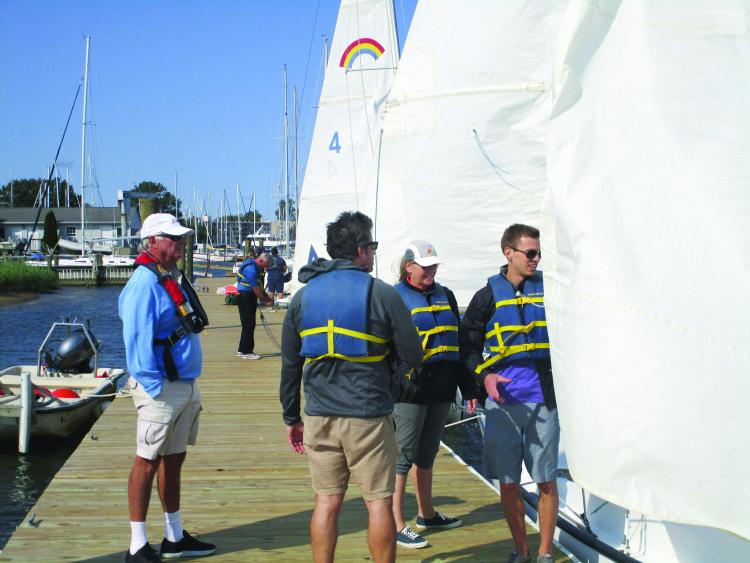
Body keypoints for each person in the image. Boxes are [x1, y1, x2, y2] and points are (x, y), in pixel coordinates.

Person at [279, 211, 424, 563]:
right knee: (379, 502)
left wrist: (291, 417)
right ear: (360, 250)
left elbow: (290, 366)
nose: (374, 254)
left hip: (319, 415)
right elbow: (413, 354)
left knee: (327, 501)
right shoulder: (382, 293)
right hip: (368, 416)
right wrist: (393, 377)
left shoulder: (302, 298)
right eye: (372, 246)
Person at [118, 213, 216, 562]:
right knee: (146, 462)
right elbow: (136, 340)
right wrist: (154, 387)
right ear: (152, 242)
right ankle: (137, 545)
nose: (181, 243)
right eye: (173, 238)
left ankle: (174, 537)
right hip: (162, 389)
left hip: (184, 385)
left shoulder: (170, 276)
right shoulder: (143, 284)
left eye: (181, 238)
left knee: (173, 460)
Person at [459, 224, 559, 563]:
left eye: (538, 253)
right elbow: (467, 345)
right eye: (530, 253)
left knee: (546, 480)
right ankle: (521, 549)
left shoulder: (550, 290)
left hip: (543, 400)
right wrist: (483, 378)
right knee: (508, 483)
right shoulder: (487, 296)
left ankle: (545, 553)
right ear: (509, 253)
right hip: (502, 404)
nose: (536, 259)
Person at [390, 241, 480, 549]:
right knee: (403, 456)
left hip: (443, 385)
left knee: (427, 454)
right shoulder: (394, 297)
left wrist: (469, 388)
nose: (432, 270)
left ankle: (426, 514)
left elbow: (462, 343)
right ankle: (395, 522)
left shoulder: (447, 296)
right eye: (426, 266)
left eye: (434, 266)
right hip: (410, 387)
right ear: (409, 267)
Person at [235, 251, 274, 359]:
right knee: (249, 324)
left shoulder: (253, 264)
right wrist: (265, 300)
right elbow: (256, 288)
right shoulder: (251, 270)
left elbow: (258, 286)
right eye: (266, 265)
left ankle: (242, 350)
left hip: (248, 296)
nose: (266, 268)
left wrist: (265, 297)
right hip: (245, 297)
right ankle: (247, 352)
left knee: (248, 324)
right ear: (261, 261)